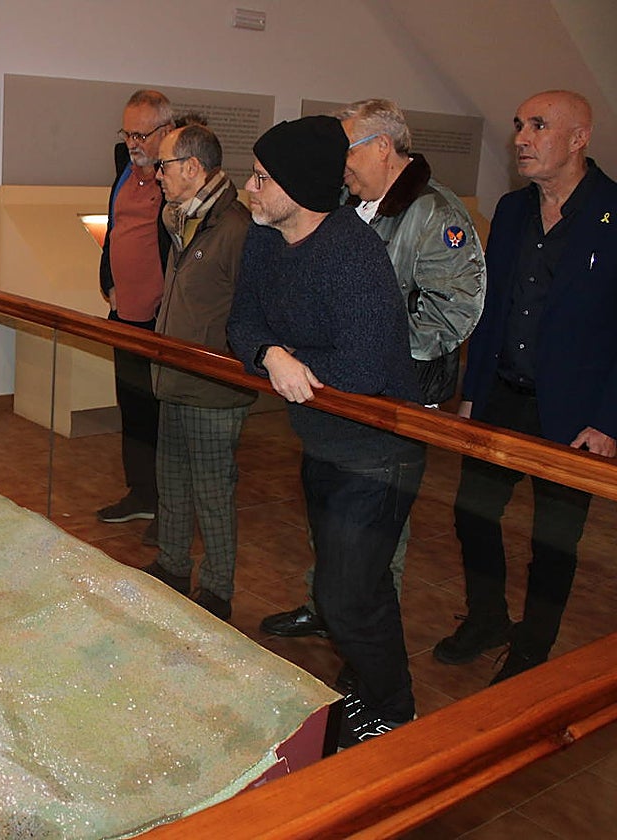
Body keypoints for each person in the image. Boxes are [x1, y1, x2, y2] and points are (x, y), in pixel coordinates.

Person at [228, 116, 425, 747]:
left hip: (377, 450)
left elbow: (364, 368)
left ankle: (393, 709)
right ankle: (372, 686)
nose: (249, 188)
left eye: (262, 178)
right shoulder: (265, 238)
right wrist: (270, 355)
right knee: (357, 586)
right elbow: (241, 322)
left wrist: (285, 359)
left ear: (300, 187)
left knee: (343, 596)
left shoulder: (351, 254)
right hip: (322, 440)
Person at [260, 98, 487, 641]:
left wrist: (376, 346)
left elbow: (456, 308)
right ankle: (326, 603)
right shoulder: (348, 203)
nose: (340, 164)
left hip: (396, 390)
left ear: (383, 147)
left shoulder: (434, 214)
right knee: (329, 508)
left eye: (349, 150)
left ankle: (365, 635)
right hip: (338, 383)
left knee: (378, 529)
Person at [433, 90, 617, 683]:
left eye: (538, 126)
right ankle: (487, 617)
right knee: (473, 514)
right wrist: (469, 395)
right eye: (519, 125)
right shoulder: (512, 211)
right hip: (501, 397)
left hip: (576, 414)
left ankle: (532, 649)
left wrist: (609, 422)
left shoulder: (612, 213)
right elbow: (491, 312)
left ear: (579, 138)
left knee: (554, 542)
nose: (521, 138)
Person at [140, 125, 255, 621]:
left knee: (212, 493)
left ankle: (216, 589)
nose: (156, 174)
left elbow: (251, 313)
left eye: (163, 165)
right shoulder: (181, 220)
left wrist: (228, 362)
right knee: (171, 481)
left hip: (213, 387)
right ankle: (171, 565)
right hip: (174, 375)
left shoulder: (235, 229)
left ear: (192, 167)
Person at [96, 90, 173, 545]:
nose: (133, 143)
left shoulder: (176, 180)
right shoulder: (124, 172)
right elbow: (114, 231)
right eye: (127, 133)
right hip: (123, 314)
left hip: (160, 322)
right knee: (133, 408)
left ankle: (169, 506)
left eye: (141, 135)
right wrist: (107, 279)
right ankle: (141, 491)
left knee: (164, 417)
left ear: (167, 131)